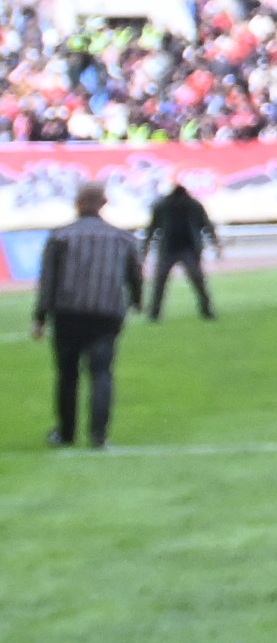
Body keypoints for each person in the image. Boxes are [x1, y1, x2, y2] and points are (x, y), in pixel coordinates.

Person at [33, 180, 143, 449]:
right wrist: (137, 301)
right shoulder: (122, 238)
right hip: (107, 313)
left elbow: (48, 281)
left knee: (67, 374)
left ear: (77, 203)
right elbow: (135, 275)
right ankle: (98, 435)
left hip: (68, 313)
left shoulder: (60, 237)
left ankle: (66, 433)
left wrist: (40, 317)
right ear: (103, 203)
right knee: (101, 373)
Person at [144, 176, 218, 321]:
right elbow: (207, 226)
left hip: (175, 248)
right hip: (183, 248)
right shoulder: (192, 205)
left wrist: (145, 247)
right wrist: (214, 243)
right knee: (197, 280)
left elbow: (152, 228)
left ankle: (155, 313)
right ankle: (206, 311)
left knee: (162, 281)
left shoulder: (164, 205)